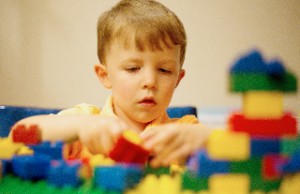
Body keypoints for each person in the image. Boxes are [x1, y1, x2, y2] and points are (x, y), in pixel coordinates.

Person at [11, 0, 210, 168]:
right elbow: (18, 133)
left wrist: (204, 138)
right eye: (133, 68)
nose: (150, 82)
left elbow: (237, 154)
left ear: (178, 79)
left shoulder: (184, 131)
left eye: (164, 70)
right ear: (105, 75)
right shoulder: (86, 122)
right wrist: (81, 126)